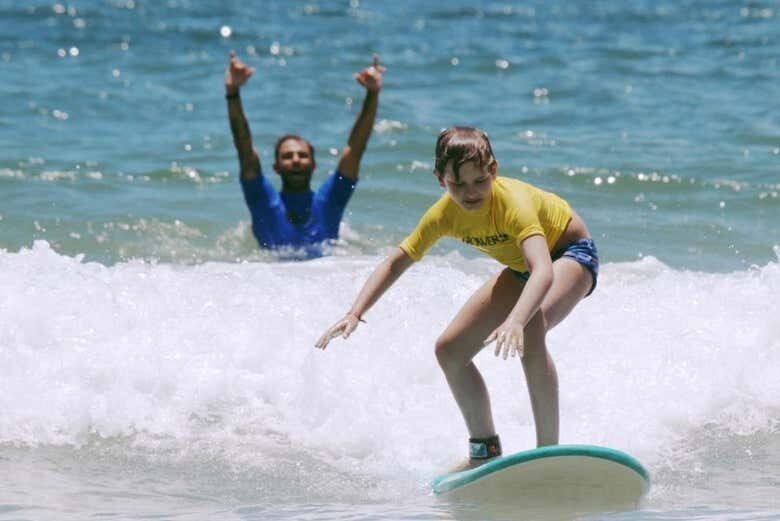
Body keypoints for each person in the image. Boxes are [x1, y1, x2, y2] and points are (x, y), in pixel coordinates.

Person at [315, 127, 599, 467]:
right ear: (440, 179)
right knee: (449, 351)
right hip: (522, 269)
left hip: (569, 255)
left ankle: (547, 455)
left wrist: (516, 319)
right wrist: (355, 312)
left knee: (531, 330)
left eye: (479, 180)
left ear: (493, 170)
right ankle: (485, 451)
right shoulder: (444, 215)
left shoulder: (513, 204)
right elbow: (396, 262)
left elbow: (543, 271)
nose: (470, 192)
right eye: (457, 184)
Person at [224, 51, 384, 255]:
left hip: (324, 276)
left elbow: (355, 150)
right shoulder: (262, 200)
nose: (296, 160)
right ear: (276, 167)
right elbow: (244, 148)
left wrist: (373, 93)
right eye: (287, 156)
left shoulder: (329, 201)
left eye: (303, 155)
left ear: (314, 165)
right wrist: (232, 92)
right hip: (267, 279)